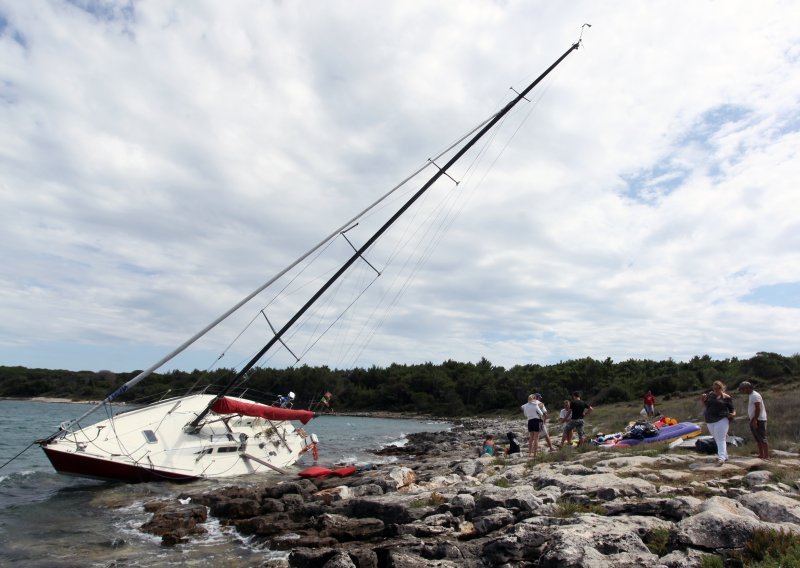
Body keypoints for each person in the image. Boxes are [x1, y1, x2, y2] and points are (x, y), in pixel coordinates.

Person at [702, 380, 736, 464]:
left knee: (721, 439)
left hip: (721, 419)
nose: (716, 390)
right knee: (717, 438)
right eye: (714, 388)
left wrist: (733, 414)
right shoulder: (710, 395)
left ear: (722, 388)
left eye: (718, 388)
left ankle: (721, 458)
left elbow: (732, 409)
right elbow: (706, 405)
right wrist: (703, 399)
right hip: (710, 419)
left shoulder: (726, 397)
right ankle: (725, 456)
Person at [739, 381, 768, 460]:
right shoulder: (751, 395)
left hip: (759, 419)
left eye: (743, 389)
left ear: (748, 388)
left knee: (762, 438)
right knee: (757, 438)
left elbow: (758, 408)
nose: (743, 391)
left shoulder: (755, 395)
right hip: (754, 419)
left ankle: (766, 456)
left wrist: (755, 420)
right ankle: (761, 454)